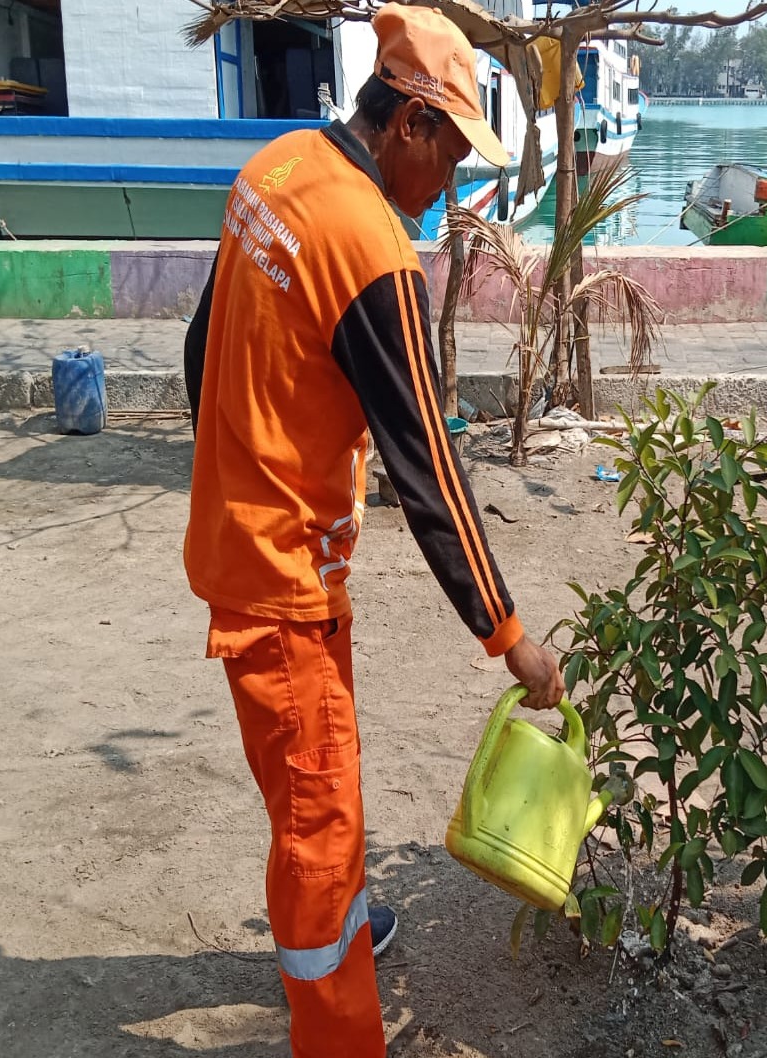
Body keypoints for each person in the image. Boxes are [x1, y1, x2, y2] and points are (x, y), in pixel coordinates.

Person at [182, 5, 564, 1056]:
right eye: (447, 154)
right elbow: (430, 470)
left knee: (317, 784)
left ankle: (345, 915)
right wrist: (509, 633)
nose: (450, 183)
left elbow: (198, 346)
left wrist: (240, 463)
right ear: (405, 126)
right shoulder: (372, 250)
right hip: (283, 584)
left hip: (238, 548)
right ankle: (338, 1025)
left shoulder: (276, 169)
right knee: (316, 824)